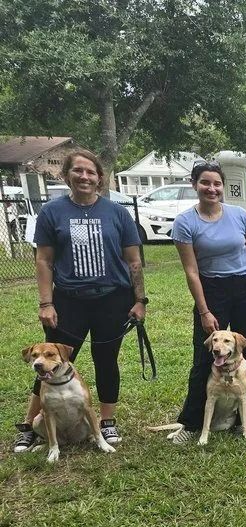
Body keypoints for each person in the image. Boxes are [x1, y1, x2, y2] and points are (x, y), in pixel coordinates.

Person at [12, 148, 146, 453]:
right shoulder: (52, 213)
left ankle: (107, 421)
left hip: (112, 300)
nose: (85, 177)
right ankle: (31, 424)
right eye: (78, 171)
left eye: (91, 172)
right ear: (67, 175)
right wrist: (46, 303)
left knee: (107, 361)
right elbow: (44, 260)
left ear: (100, 178)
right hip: (69, 301)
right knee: (47, 363)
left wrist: (140, 301)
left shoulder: (117, 213)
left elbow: (134, 261)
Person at [165, 160, 246, 444]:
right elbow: (191, 271)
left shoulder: (240, 216)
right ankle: (190, 424)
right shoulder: (185, 223)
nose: (212, 189)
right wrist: (204, 310)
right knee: (205, 357)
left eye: (216, 184)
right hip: (211, 288)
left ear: (223, 186)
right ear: (195, 185)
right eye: (205, 183)